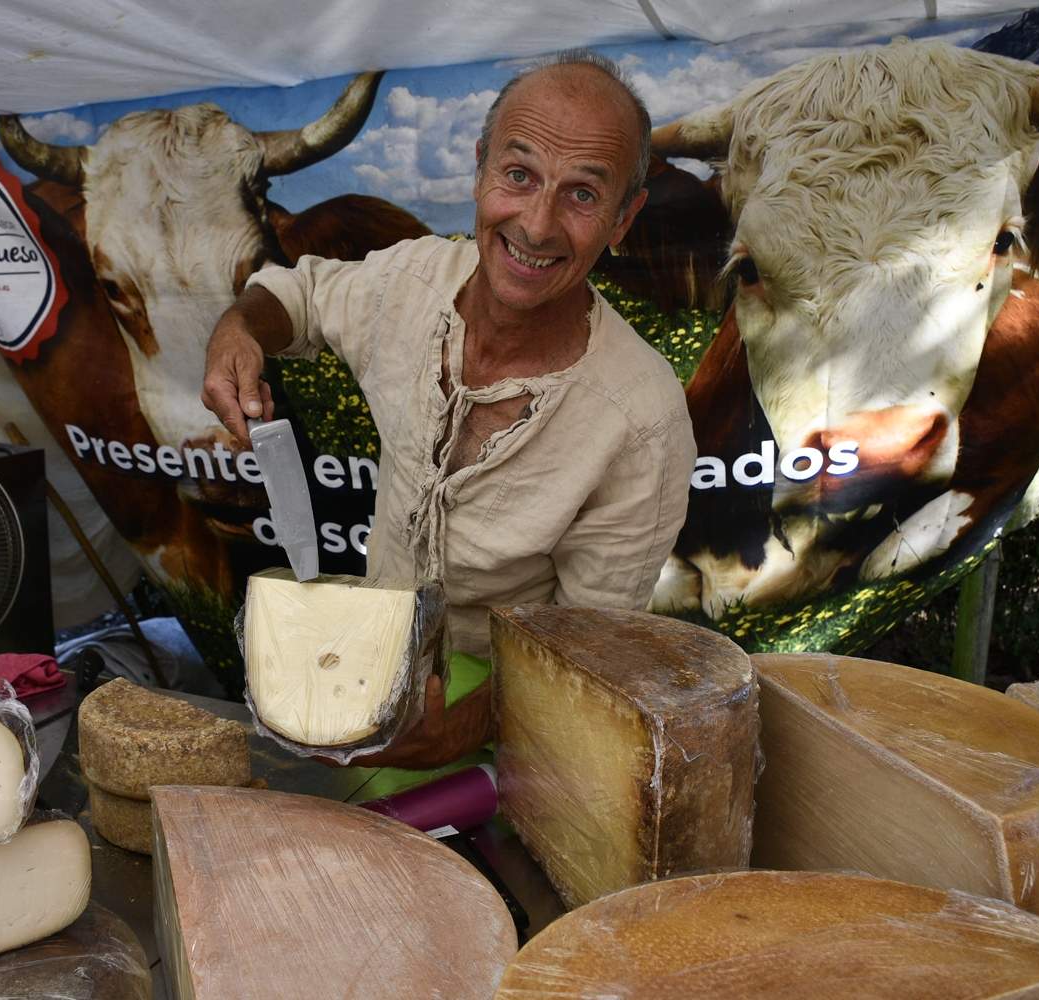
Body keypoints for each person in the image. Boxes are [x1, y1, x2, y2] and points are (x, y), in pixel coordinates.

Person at [203, 51, 696, 768]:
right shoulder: (411, 282)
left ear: (624, 219)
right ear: (479, 171)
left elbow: (586, 652)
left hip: (509, 709)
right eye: (518, 175)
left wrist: (457, 735)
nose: (537, 224)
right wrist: (238, 330)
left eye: (583, 195)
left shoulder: (641, 421)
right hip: (361, 655)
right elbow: (298, 294)